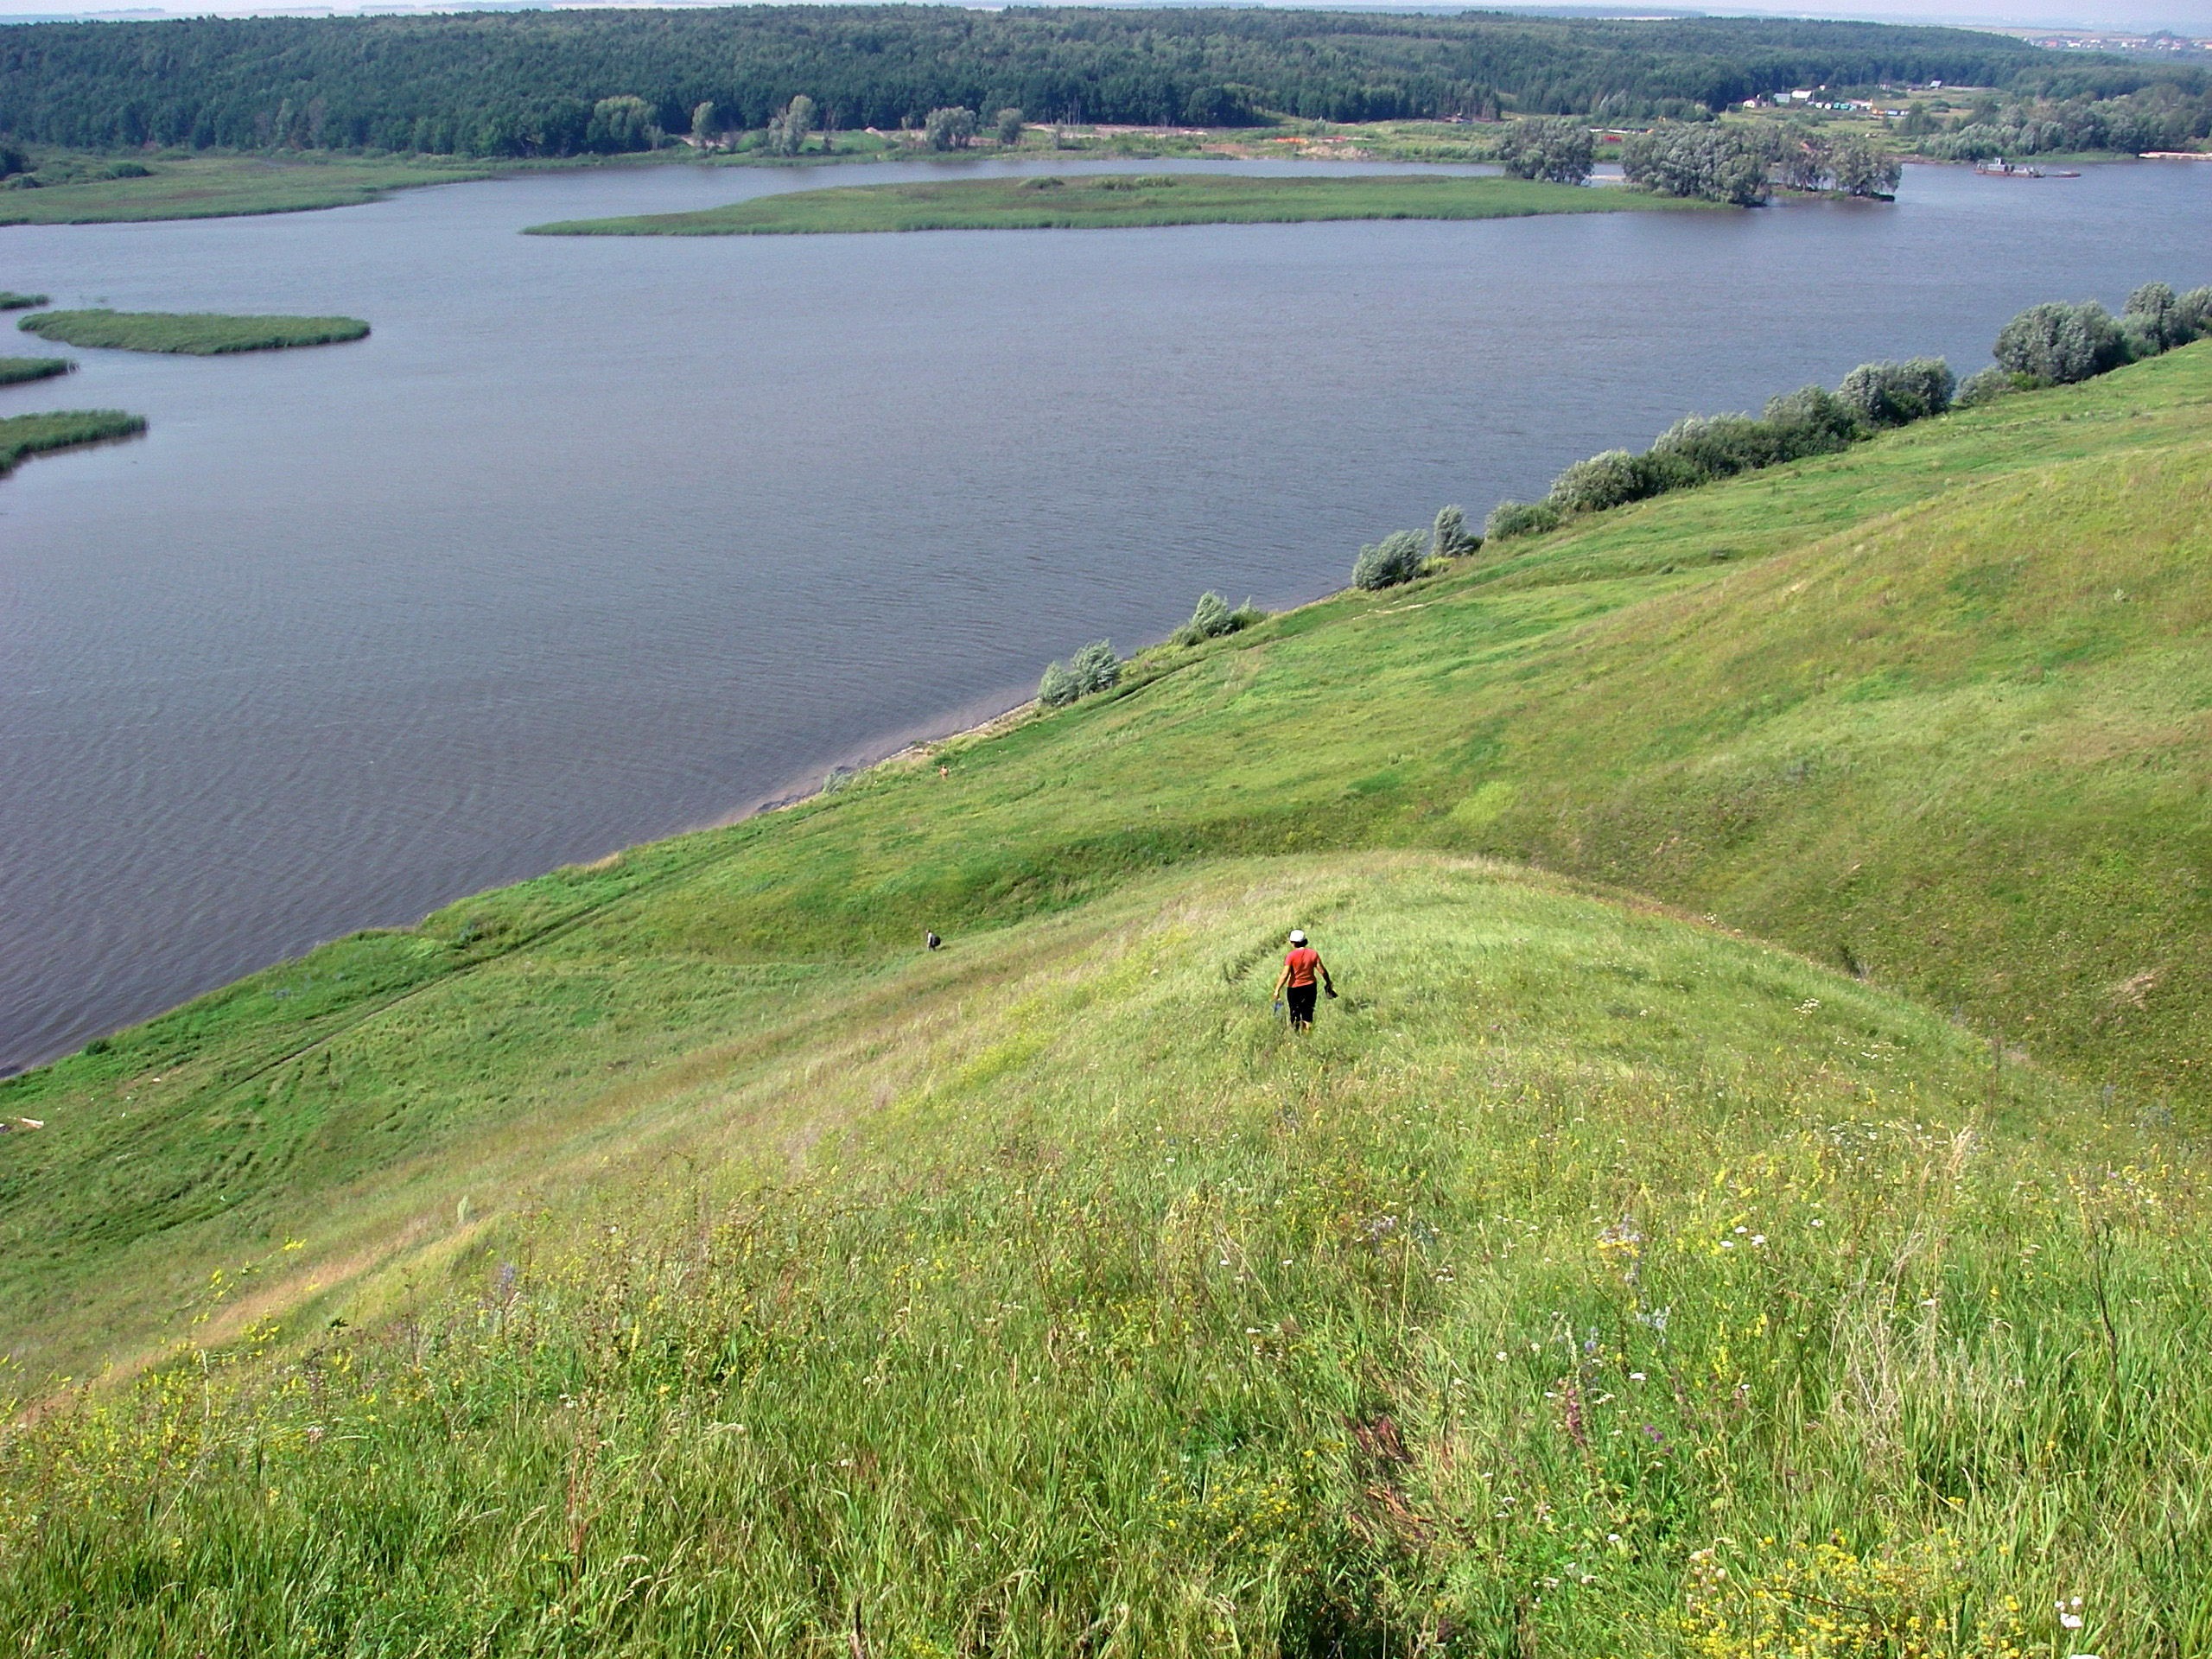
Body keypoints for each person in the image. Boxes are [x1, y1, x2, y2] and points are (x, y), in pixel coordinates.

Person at [1271, 928, 1335, 1032]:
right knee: (1308, 1013)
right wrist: (1328, 982)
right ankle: (1307, 1035)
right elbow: (1322, 971)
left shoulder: (1291, 956)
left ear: (1293, 943)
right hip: (1310, 987)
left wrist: (1277, 990)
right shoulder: (1313, 953)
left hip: (1294, 988)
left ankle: (1297, 1035)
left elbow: (1285, 974)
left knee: (1295, 1013)